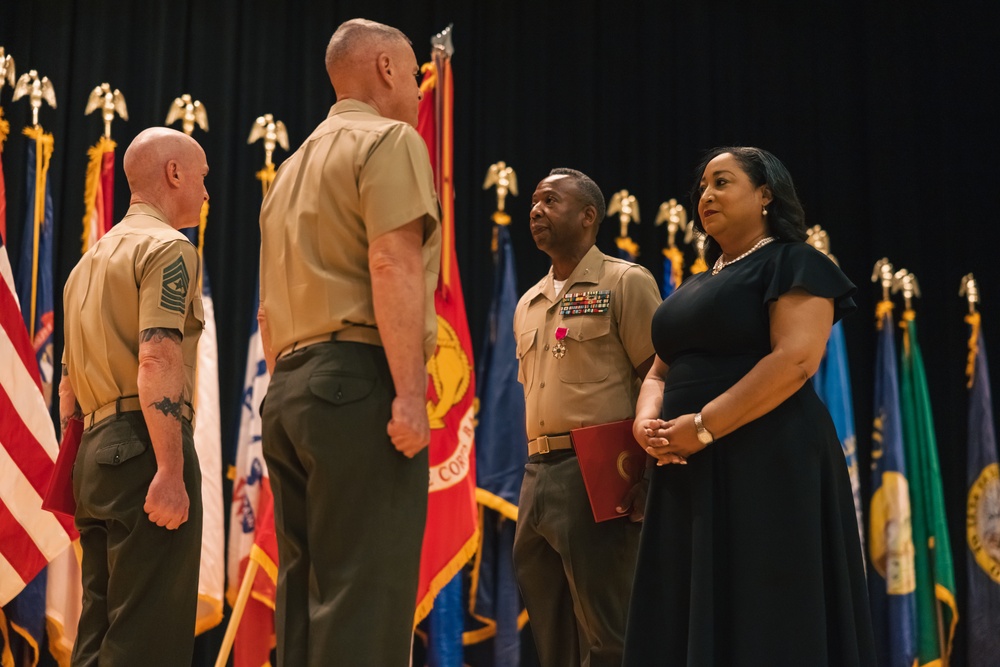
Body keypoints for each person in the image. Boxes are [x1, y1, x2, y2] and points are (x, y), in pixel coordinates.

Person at [624, 147, 876, 665]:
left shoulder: (796, 261)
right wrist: (646, 420)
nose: (706, 195)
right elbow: (659, 370)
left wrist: (703, 426)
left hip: (769, 459)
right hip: (685, 464)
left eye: (722, 182)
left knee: (768, 609)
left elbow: (796, 361)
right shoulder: (693, 286)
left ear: (765, 194)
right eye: (702, 188)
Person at [257, 18, 440, 666]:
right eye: (415, 72)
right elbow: (392, 262)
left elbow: (266, 317)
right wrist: (411, 395)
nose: (421, 90)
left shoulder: (287, 172)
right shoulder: (391, 141)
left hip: (288, 393)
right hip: (358, 380)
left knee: (306, 599)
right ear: (385, 68)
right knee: (365, 598)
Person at [58, 126, 208, 666]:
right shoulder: (169, 248)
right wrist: (169, 469)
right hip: (146, 445)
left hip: (94, 456)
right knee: (148, 638)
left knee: (96, 629)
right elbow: (158, 356)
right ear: (173, 173)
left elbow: (69, 387)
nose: (207, 192)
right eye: (203, 176)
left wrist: (78, 470)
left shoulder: (84, 267)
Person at [513, 168, 662, 666]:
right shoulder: (528, 303)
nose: (536, 210)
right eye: (534, 201)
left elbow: (661, 380)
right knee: (551, 630)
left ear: (588, 216)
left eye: (551, 201)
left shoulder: (625, 282)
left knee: (611, 630)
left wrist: (649, 475)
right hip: (538, 474)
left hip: (599, 471)